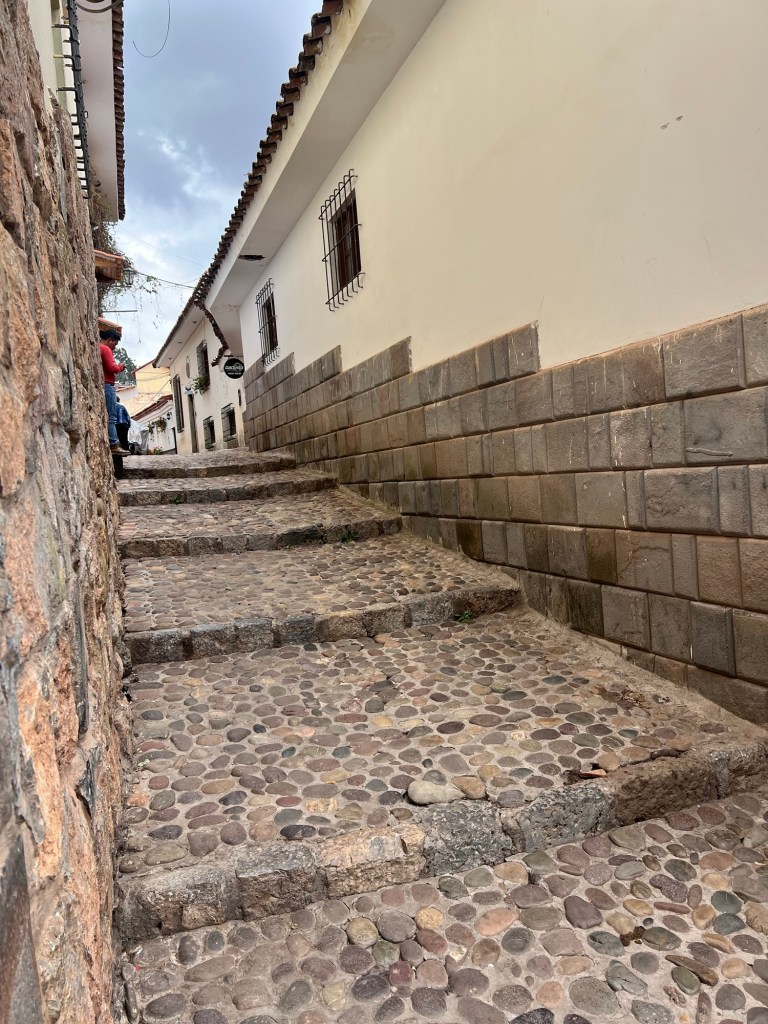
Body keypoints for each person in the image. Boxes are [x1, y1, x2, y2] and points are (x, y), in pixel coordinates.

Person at [99, 321, 130, 455]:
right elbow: (112, 368)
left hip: (103, 383)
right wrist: (121, 367)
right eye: (115, 344)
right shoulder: (105, 349)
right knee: (112, 416)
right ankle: (114, 444)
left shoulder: (98, 347)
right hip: (108, 384)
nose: (115, 347)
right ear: (110, 340)